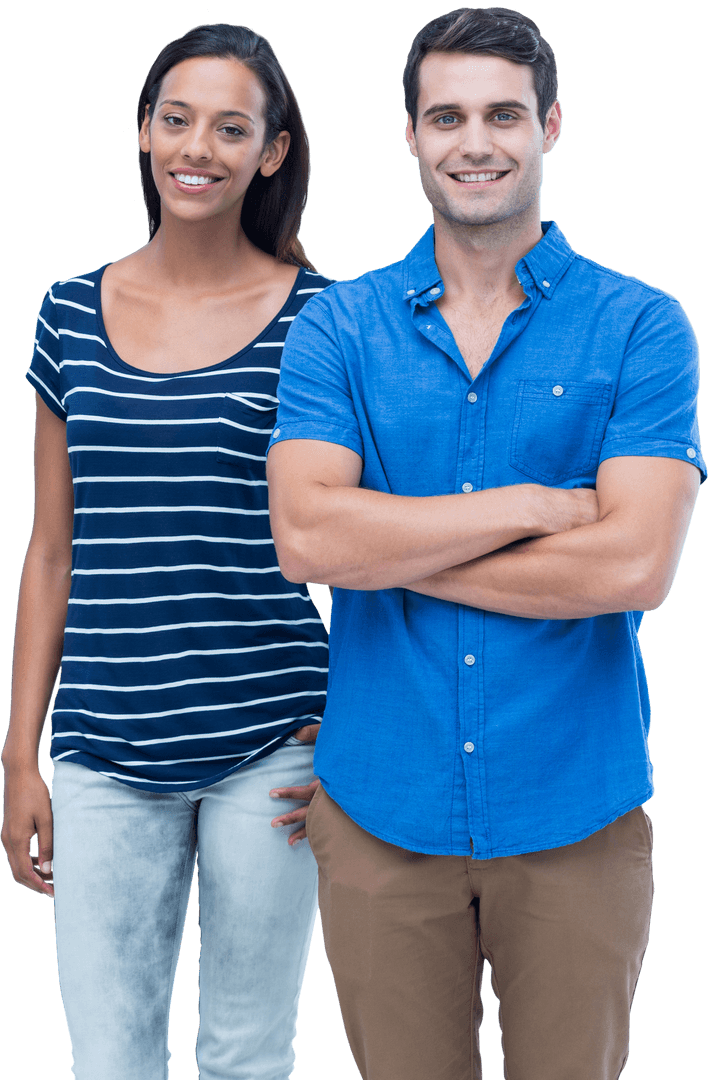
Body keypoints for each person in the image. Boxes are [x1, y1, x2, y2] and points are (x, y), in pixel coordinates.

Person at [265, 7, 704, 1079]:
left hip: (577, 817)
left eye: (503, 113)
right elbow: (307, 540)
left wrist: (392, 545)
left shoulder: (644, 327)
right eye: (447, 115)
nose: (476, 141)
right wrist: (532, 505)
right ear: (409, 137)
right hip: (380, 816)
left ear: (550, 125)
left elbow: (633, 567)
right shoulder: (338, 328)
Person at [1, 22, 332, 1080]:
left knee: (248, 1054)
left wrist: (356, 727)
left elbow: (357, 541)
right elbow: (52, 549)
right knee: (109, 1059)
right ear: (144, 131)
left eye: (233, 127)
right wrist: (22, 750)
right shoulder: (66, 315)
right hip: (101, 746)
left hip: (272, 740)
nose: (199, 146)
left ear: (271, 152)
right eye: (177, 118)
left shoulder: (323, 321)